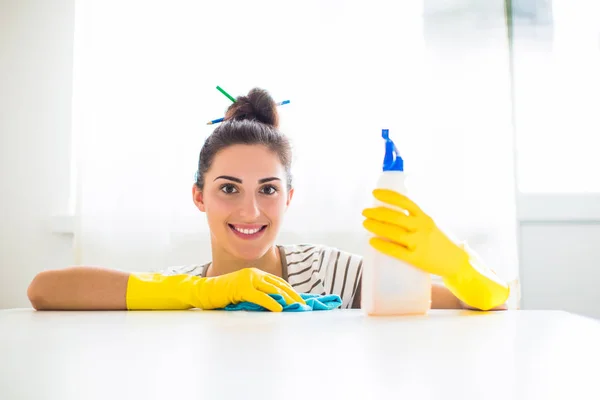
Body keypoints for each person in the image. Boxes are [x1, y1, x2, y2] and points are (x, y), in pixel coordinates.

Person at [27, 88, 509, 312]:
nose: (250, 212)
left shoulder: (327, 274)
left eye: (269, 190)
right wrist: (202, 292)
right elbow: (44, 290)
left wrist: (456, 263)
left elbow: (491, 303)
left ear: (290, 196)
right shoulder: (190, 290)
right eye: (228, 188)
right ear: (199, 196)